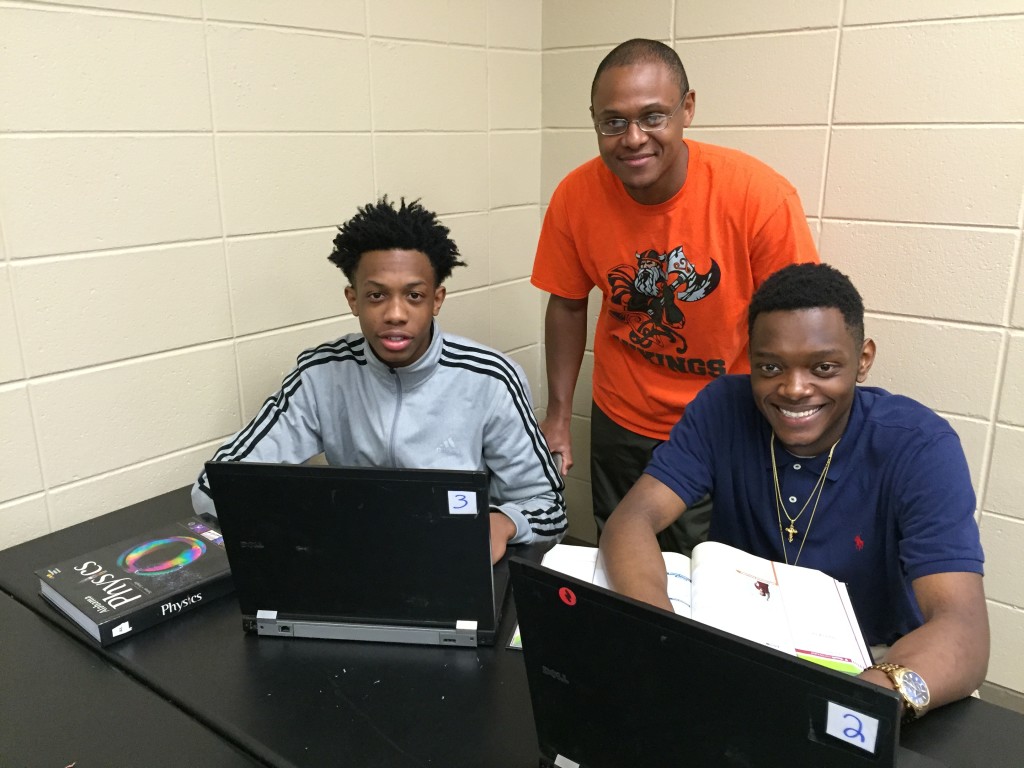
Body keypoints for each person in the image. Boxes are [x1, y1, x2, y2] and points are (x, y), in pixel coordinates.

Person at [600, 263, 988, 716]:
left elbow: (964, 630)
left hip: (877, 661)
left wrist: (849, 706)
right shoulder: (722, 408)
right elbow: (632, 518)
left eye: (823, 367)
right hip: (745, 643)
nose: (794, 389)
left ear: (863, 360)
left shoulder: (919, 445)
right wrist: (664, 635)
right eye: (770, 367)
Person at [531, 38, 819, 555]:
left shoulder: (758, 198)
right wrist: (557, 412)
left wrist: (786, 426)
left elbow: (800, 325)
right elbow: (568, 302)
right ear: (594, 120)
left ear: (687, 109)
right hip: (621, 416)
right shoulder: (576, 195)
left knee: (709, 572)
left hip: (722, 419)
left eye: (653, 117)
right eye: (613, 122)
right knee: (621, 559)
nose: (633, 138)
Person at [192, 197, 567, 562]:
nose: (395, 314)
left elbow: (549, 507)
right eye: (376, 296)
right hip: (353, 559)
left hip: (452, 560)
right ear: (353, 300)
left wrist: (502, 524)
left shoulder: (490, 379)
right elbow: (215, 487)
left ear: (437, 300)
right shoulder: (322, 374)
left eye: (414, 296)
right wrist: (303, 525)